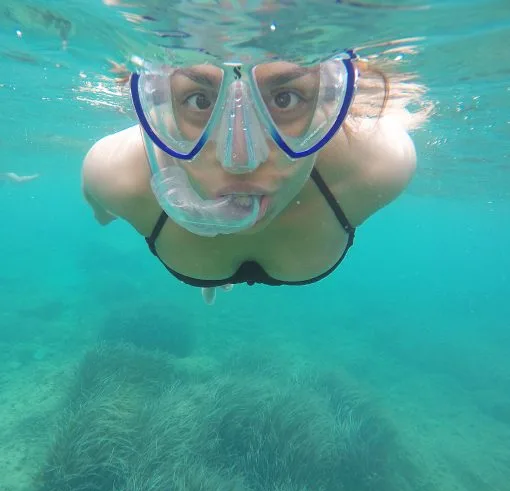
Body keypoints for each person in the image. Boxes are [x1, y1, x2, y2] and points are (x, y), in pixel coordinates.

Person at [82, 48, 429, 304]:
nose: (240, 161)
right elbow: (100, 213)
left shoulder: (379, 164)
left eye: (284, 98)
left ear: (331, 99)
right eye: (199, 100)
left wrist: (196, 256)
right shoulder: (115, 175)